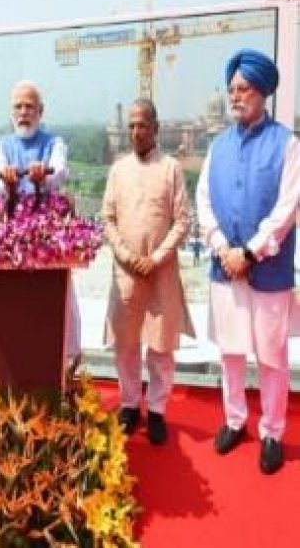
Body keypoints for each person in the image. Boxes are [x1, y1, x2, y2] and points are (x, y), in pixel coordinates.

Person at [196, 49, 300, 474]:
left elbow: (288, 206)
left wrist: (251, 251)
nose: (235, 96)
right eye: (232, 89)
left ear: (262, 93)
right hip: (226, 269)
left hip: (268, 270)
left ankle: (272, 430)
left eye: (243, 89)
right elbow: (203, 200)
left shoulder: (287, 144)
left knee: (271, 357)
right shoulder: (217, 146)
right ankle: (235, 419)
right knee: (231, 352)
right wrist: (222, 246)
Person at [101, 99, 195, 445]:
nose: (136, 132)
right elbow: (107, 219)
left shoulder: (171, 168)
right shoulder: (118, 169)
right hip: (126, 272)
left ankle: (156, 410)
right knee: (125, 345)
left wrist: (155, 258)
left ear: (156, 128)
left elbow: (183, 221)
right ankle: (129, 404)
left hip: (160, 272)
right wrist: (126, 256)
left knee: (160, 347)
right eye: (131, 126)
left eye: (142, 125)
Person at [0, 80, 82, 364]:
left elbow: (59, 173)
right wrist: (9, 179)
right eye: (18, 107)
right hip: (14, 242)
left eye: (29, 106)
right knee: (17, 306)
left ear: (40, 111)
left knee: (60, 304)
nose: (23, 112)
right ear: (11, 113)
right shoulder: (1, 146)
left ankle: (66, 367)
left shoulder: (55, 143)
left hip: (48, 240)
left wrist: (44, 176)